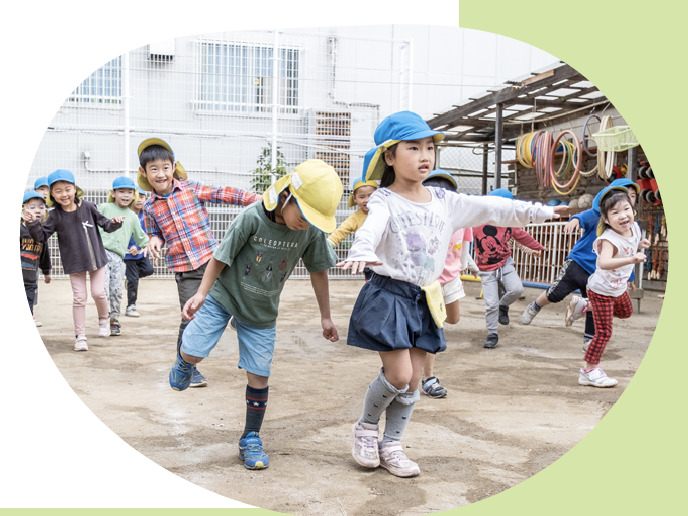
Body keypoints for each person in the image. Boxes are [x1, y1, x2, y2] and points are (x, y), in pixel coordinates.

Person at [338, 110, 563, 478]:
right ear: (390, 157)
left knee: (413, 380)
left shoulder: (445, 200)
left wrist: (542, 212)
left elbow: (495, 206)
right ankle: (365, 427)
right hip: (388, 295)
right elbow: (371, 228)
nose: (425, 155)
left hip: (424, 297)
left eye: (430, 147)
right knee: (397, 375)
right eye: (414, 147)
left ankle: (391, 444)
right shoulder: (383, 200)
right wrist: (361, 249)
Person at [168, 160, 342, 470]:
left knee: (260, 374)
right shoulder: (252, 217)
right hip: (224, 296)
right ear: (286, 195)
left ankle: (250, 437)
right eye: (303, 215)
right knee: (193, 350)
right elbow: (221, 257)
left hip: (262, 310)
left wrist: (325, 316)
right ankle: (184, 362)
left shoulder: (310, 232)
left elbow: (318, 271)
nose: (305, 224)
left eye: (314, 219)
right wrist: (201, 293)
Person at [139, 137, 261, 388]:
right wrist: (154, 240)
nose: (160, 174)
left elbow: (223, 194)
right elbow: (155, 233)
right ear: (144, 172)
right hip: (186, 271)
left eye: (165, 167)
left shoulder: (191, 188)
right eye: (154, 169)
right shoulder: (149, 206)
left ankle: (239, 316)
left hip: (214, 261)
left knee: (243, 289)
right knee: (190, 317)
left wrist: (256, 199)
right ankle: (185, 367)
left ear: (173, 167)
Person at [520, 178, 640, 352]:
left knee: (593, 305)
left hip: (598, 275)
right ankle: (535, 305)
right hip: (578, 264)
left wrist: (630, 277)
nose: (629, 198)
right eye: (624, 194)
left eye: (632, 196)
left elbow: (630, 252)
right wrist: (575, 220)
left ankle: (589, 340)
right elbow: (583, 216)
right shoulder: (599, 215)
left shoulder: (630, 227)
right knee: (556, 293)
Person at [25, 169, 124, 351]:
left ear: (75, 188)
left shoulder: (88, 206)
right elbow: (41, 237)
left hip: (96, 260)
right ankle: (80, 337)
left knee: (98, 293)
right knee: (79, 298)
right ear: (52, 195)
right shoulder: (55, 215)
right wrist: (32, 223)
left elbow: (106, 225)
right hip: (74, 262)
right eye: (58, 191)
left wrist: (116, 221)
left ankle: (104, 319)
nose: (64, 194)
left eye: (67, 189)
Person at [572, 185, 650, 387]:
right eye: (615, 213)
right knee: (604, 332)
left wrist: (638, 245)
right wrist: (632, 258)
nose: (623, 216)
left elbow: (629, 244)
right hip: (601, 290)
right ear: (606, 219)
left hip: (618, 288)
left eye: (626, 209)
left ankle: (584, 306)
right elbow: (605, 263)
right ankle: (589, 371)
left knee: (626, 312)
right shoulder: (609, 239)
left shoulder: (633, 228)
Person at [419, 169, 479, 398]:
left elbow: (464, 246)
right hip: (429, 283)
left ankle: (423, 332)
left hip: (452, 279)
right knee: (436, 326)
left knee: (453, 318)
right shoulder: (426, 221)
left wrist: (467, 265)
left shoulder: (463, 221)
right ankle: (428, 378)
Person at [472, 189, 545, 349]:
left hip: (505, 263)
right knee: (491, 303)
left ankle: (503, 305)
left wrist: (538, 247)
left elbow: (523, 237)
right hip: (486, 269)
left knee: (517, 290)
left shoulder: (510, 224)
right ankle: (492, 333)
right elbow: (462, 234)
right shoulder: (477, 223)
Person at [98, 176, 149, 336]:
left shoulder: (132, 216)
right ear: (113, 193)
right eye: (121, 191)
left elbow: (142, 238)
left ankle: (114, 319)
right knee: (103, 289)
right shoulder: (103, 208)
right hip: (101, 254)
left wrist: (150, 244)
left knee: (116, 290)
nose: (126, 195)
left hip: (119, 258)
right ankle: (103, 320)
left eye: (129, 192)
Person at [123, 186, 155, 318]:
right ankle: (131, 306)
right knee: (134, 280)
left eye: (142, 197)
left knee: (149, 270)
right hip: (128, 254)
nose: (139, 200)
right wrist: (131, 246)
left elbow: (146, 233)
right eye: (137, 197)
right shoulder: (126, 214)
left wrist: (139, 246)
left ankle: (131, 279)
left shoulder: (145, 215)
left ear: (146, 199)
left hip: (141, 251)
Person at [20, 191, 51, 323]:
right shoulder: (18, 229)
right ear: (23, 210)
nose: (37, 210)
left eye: (41, 207)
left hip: (31, 280)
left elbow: (44, 254)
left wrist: (46, 271)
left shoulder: (42, 232)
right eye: (32, 207)